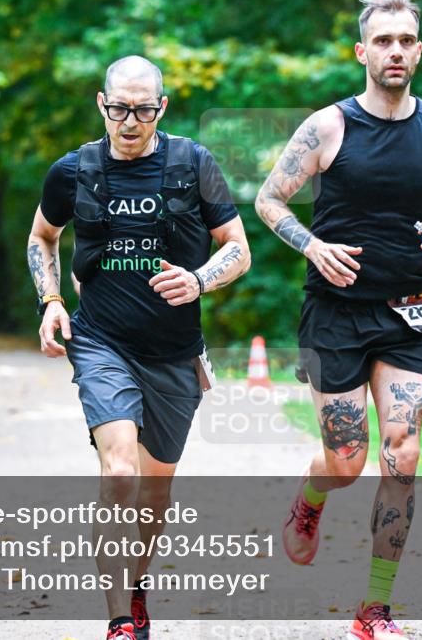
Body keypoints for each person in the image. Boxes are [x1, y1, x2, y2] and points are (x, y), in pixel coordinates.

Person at [255, 0, 422, 639]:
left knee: (402, 454)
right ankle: (312, 496)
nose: (396, 51)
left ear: (420, 50)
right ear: (362, 52)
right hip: (335, 313)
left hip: (409, 311)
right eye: (384, 41)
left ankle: (374, 609)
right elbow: (271, 201)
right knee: (346, 460)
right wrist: (313, 245)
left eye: (406, 40)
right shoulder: (328, 127)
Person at [27, 55, 250, 640]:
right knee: (119, 470)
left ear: (162, 107)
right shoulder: (72, 171)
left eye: (143, 109)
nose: (131, 121)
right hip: (102, 342)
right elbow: (43, 237)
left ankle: (135, 584)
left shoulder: (194, 164)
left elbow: (238, 248)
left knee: (154, 493)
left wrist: (200, 278)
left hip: (175, 352)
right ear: (102, 104)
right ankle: (119, 622)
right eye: (120, 108)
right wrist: (51, 300)